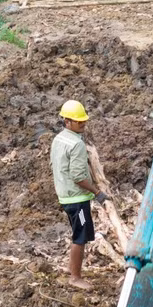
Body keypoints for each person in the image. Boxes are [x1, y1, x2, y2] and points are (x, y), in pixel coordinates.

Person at [49, 100, 106, 290]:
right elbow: (78, 177)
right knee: (80, 236)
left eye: (84, 120)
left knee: (78, 232)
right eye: (78, 121)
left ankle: (71, 268)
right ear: (67, 121)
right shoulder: (76, 144)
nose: (83, 123)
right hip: (77, 199)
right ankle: (75, 277)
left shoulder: (59, 139)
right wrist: (97, 192)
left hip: (65, 195)